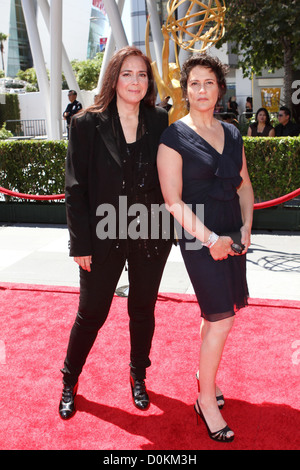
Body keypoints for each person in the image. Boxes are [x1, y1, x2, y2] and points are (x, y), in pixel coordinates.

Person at [59, 46, 173, 420]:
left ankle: (138, 373)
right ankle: (69, 379)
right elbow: (75, 188)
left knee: (142, 309)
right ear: (114, 78)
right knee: (91, 312)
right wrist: (80, 243)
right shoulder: (86, 123)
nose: (135, 81)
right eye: (127, 73)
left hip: (150, 231)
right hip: (102, 232)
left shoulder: (159, 119)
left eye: (142, 74)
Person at [157, 54, 254, 442]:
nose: (201, 90)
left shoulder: (232, 133)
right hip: (200, 237)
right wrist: (211, 239)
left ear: (219, 88)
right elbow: (173, 201)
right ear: (186, 89)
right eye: (194, 83)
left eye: (209, 83)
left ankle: (205, 376)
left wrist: (247, 227)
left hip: (232, 230)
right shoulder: (173, 137)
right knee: (223, 318)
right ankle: (205, 399)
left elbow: (244, 185)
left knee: (215, 314)